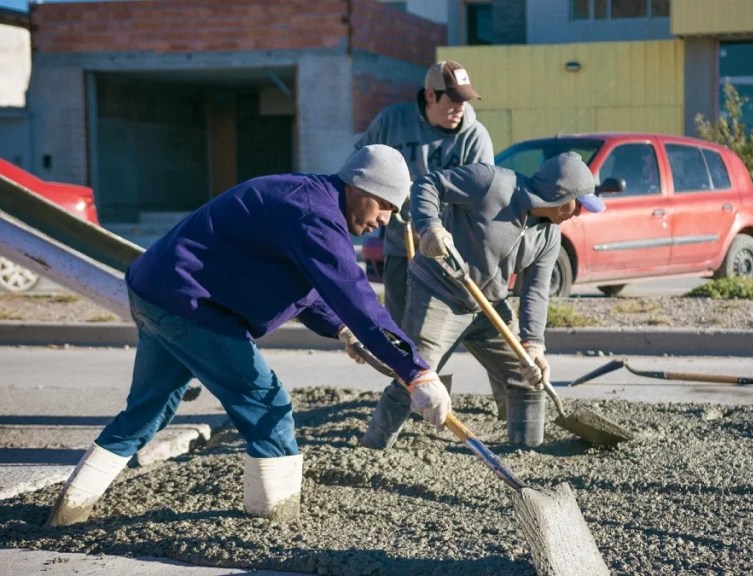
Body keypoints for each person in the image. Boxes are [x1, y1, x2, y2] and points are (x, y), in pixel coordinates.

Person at [46, 145, 451, 527]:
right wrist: (416, 372)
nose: (384, 220)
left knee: (146, 411)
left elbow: (311, 290)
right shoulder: (318, 216)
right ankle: (275, 520)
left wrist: (341, 329)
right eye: (385, 206)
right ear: (362, 187)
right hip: (191, 306)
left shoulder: (305, 199)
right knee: (267, 402)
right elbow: (357, 297)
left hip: (156, 292)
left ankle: (69, 510)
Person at [359, 152, 605, 450]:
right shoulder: (492, 183)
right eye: (577, 203)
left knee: (528, 376)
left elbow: (535, 292)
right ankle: (373, 449)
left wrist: (534, 346)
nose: (578, 213)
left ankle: (525, 450)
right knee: (416, 374)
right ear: (558, 194)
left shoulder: (549, 236)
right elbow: (428, 184)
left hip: (489, 305)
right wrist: (430, 227)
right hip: (440, 291)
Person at [354, 60, 494, 327]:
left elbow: (482, 197)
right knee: (400, 326)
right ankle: (406, 368)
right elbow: (360, 164)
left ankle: (431, 369)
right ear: (430, 95)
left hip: (448, 252)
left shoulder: (475, 137)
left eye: (464, 99)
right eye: (452, 100)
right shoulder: (392, 122)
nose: (460, 107)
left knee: (435, 330)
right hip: (399, 244)